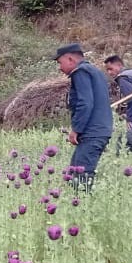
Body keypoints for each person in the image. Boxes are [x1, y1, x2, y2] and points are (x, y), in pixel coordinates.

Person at [54, 43, 112, 189]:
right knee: (74, 172)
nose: (60, 68)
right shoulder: (95, 72)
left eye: (60, 63)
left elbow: (85, 103)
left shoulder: (80, 72)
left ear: (70, 59)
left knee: (81, 176)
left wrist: (76, 129)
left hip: (92, 132)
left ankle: (84, 206)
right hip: (100, 129)